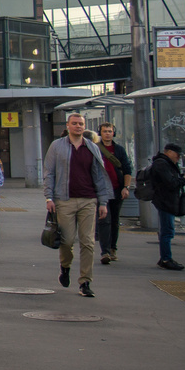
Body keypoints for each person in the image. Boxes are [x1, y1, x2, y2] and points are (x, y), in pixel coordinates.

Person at [44, 113, 113, 297]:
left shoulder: (91, 148)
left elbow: (99, 176)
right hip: (64, 200)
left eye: (81, 124)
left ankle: (85, 282)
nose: (78, 127)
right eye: (74, 124)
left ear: (85, 126)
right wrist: (48, 198)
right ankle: (65, 267)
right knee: (66, 241)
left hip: (88, 200)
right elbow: (49, 173)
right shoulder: (57, 147)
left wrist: (102, 202)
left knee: (88, 242)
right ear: (67, 126)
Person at [147, 142, 185, 270]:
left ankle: (165, 258)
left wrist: (183, 178)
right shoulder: (162, 164)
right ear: (169, 152)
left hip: (167, 200)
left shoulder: (166, 163)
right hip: (165, 201)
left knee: (167, 230)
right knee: (167, 231)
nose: (178, 158)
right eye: (177, 155)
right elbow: (171, 183)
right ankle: (166, 259)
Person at [95, 123, 132, 265]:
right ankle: (105, 251)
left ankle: (112, 248)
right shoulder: (95, 148)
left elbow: (127, 169)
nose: (107, 134)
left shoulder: (119, 150)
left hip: (117, 189)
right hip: (102, 190)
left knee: (115, 220)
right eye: (104, 131)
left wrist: (126, 187)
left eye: (110, 131)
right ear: (100, 133)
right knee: (104, 219)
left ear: (113, 133)